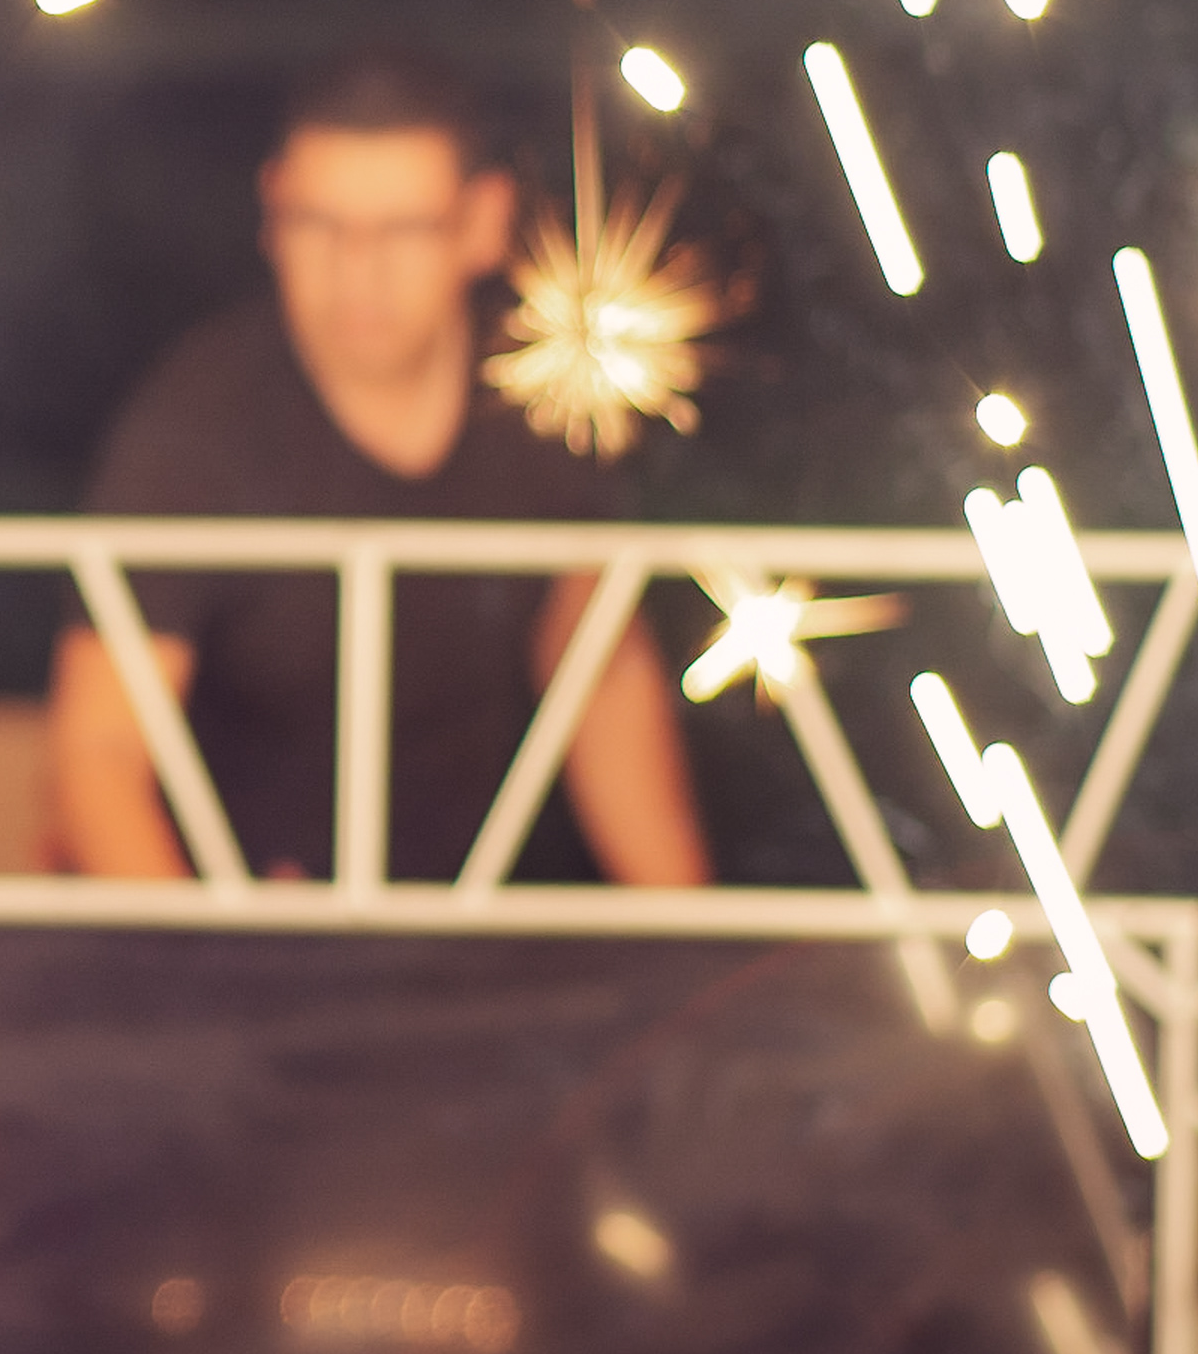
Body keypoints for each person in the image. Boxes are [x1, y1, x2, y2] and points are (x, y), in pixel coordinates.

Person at [43, 45, 710, 889]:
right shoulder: (193, 428)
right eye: (319, 223)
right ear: (271, 210)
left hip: (456, 929)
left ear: (483, 221)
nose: (357, 269)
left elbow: (600, 677)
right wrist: (213, 956)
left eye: (403, 228)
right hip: (213, 927)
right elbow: (96, 760)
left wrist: (689, 931)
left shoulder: (546, 396)